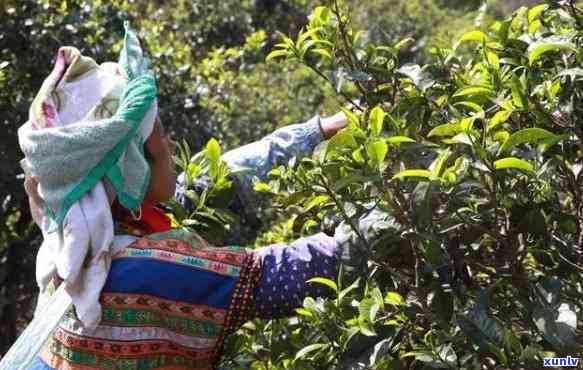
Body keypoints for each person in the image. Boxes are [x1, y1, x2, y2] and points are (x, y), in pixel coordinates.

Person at [20, 24, 392, 370]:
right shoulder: (140, 271)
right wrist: (403, 208)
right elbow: (294, 270)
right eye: (159, 135)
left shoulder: (80, 238)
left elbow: (208, 178)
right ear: (132, 169)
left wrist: (318, 132)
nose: (170, 144)